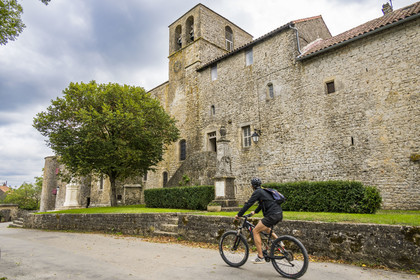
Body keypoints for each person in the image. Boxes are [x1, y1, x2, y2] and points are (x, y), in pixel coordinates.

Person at [235, 178, 283, 264]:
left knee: (255, 231)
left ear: (252, 186)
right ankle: (279, 241)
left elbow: (249, 204)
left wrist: (239, 215)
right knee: (265, 228)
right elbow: (262, 203)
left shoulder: (257, 192)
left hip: (271, 215)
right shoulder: (263, 191)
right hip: (278, 214)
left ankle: (260, 257)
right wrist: (255, 212)